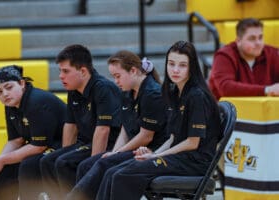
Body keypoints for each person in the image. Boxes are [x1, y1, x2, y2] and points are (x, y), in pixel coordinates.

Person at [95, 41, 222, 200]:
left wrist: (155, 156)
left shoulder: (196, 95)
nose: (175, 70)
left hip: (194, 162)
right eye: (171, 64)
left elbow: (192, 143)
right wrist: (154, 154)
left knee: (123, 175)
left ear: (192, 67)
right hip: (179, 157)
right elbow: (173, 138)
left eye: (182, 65)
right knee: (113, 171)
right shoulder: (176, 92)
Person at [66, 50, 169, 200]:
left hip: (150, 149)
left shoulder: (152, 94)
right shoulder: (127, 92)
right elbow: (125, 129)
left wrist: (117, 153)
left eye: (118, 76)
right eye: (114, 77)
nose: (116, 81)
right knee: (86, 165)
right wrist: (115, 152)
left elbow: (146, 136)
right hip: (133, 148)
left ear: (133, 71)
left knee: (105, 165)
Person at [39, 44, 122, 200]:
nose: (61, 76)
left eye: (66, 71)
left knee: (64, 163)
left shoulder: (102, 88)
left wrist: (93, 167)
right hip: (86, 142)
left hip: (111, 143)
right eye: (60, 71)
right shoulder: (73, 89)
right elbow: (70, 125)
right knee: (48, 161)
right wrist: (64, 151)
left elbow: (103, 130)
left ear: (83, 71)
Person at [0, 65, 67, 200]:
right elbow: (16, 140)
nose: (4, 94)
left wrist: (3, 159)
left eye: (9, 87)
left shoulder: (36, 101)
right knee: (2, 170)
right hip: (42, 145)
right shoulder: (11, 105)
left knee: (28, 165)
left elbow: (39, 146)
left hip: (65, 143)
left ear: (22, 83)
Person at [209, 18, 279, 100]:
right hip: (225, 110)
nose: (258, 43)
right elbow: (226, 88)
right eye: (252, 39)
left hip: (262, 109)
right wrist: (266, 90)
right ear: (238, 41)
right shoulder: (224, 56)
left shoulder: (272, 53)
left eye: (260, 37)